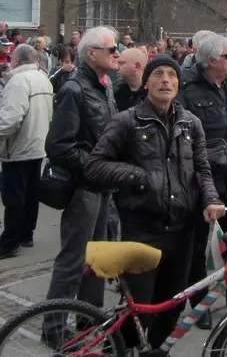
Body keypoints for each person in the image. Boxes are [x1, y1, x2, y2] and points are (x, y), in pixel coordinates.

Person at [85, 55, 225, 349]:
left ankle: (157, 351)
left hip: (182, 231)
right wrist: (137, 175)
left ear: (178, 83)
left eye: (171, 75)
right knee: (139, 311)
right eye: (158, 74)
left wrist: (211, 199)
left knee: (172, 305)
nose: (165, 80)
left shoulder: (191, 124)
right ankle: (119, 350)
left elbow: (202, 169)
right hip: (142, 230)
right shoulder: (127, 122)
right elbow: (95, 165)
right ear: (146, 82)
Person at [43, 26, 120, 347]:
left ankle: (90, 322)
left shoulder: (103, 86)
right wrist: (94, 163)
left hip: (103, 187)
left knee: (99, 259)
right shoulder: (75, 88)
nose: (117, 54)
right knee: (73, 261)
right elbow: (58, 145)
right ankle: (54, 330)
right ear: (91, 54)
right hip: (83, 188)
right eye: (112, 49)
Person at [178, 35, 227, 328]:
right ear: (211, 61)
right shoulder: (187, 91)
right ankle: (200, 305)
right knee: (198, 248)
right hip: (204, 183)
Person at [0, 45, 54, 259]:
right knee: (31, 194)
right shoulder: (43, 78)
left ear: (16, 61)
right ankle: (26, 234)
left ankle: (10, 241)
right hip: (38, 144)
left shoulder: (18, 81)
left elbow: (10, 118)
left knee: (14, 196)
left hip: (18, 147)